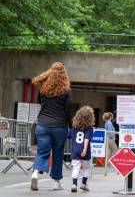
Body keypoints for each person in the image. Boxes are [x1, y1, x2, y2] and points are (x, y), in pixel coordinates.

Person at [30, 62, 73, 191]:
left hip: (42, 125)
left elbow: (40, 102)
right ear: (64, 74)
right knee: (58, 154)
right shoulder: (67, 91)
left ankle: (35, 173)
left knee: (42, 152)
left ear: (50, 72)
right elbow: (68, 110)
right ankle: (56, 182)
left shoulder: (42, 89)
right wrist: (72, 126)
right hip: (59, 127)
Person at [68, 106, 95, 192]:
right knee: (86, 168)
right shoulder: (89, 129)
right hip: (85, 151)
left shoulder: (74, 128)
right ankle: (83, 183)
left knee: (76, 167)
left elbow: (68, 135)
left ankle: (74, 184)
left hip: (75, 150)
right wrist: (84, 149)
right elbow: (86, 138)